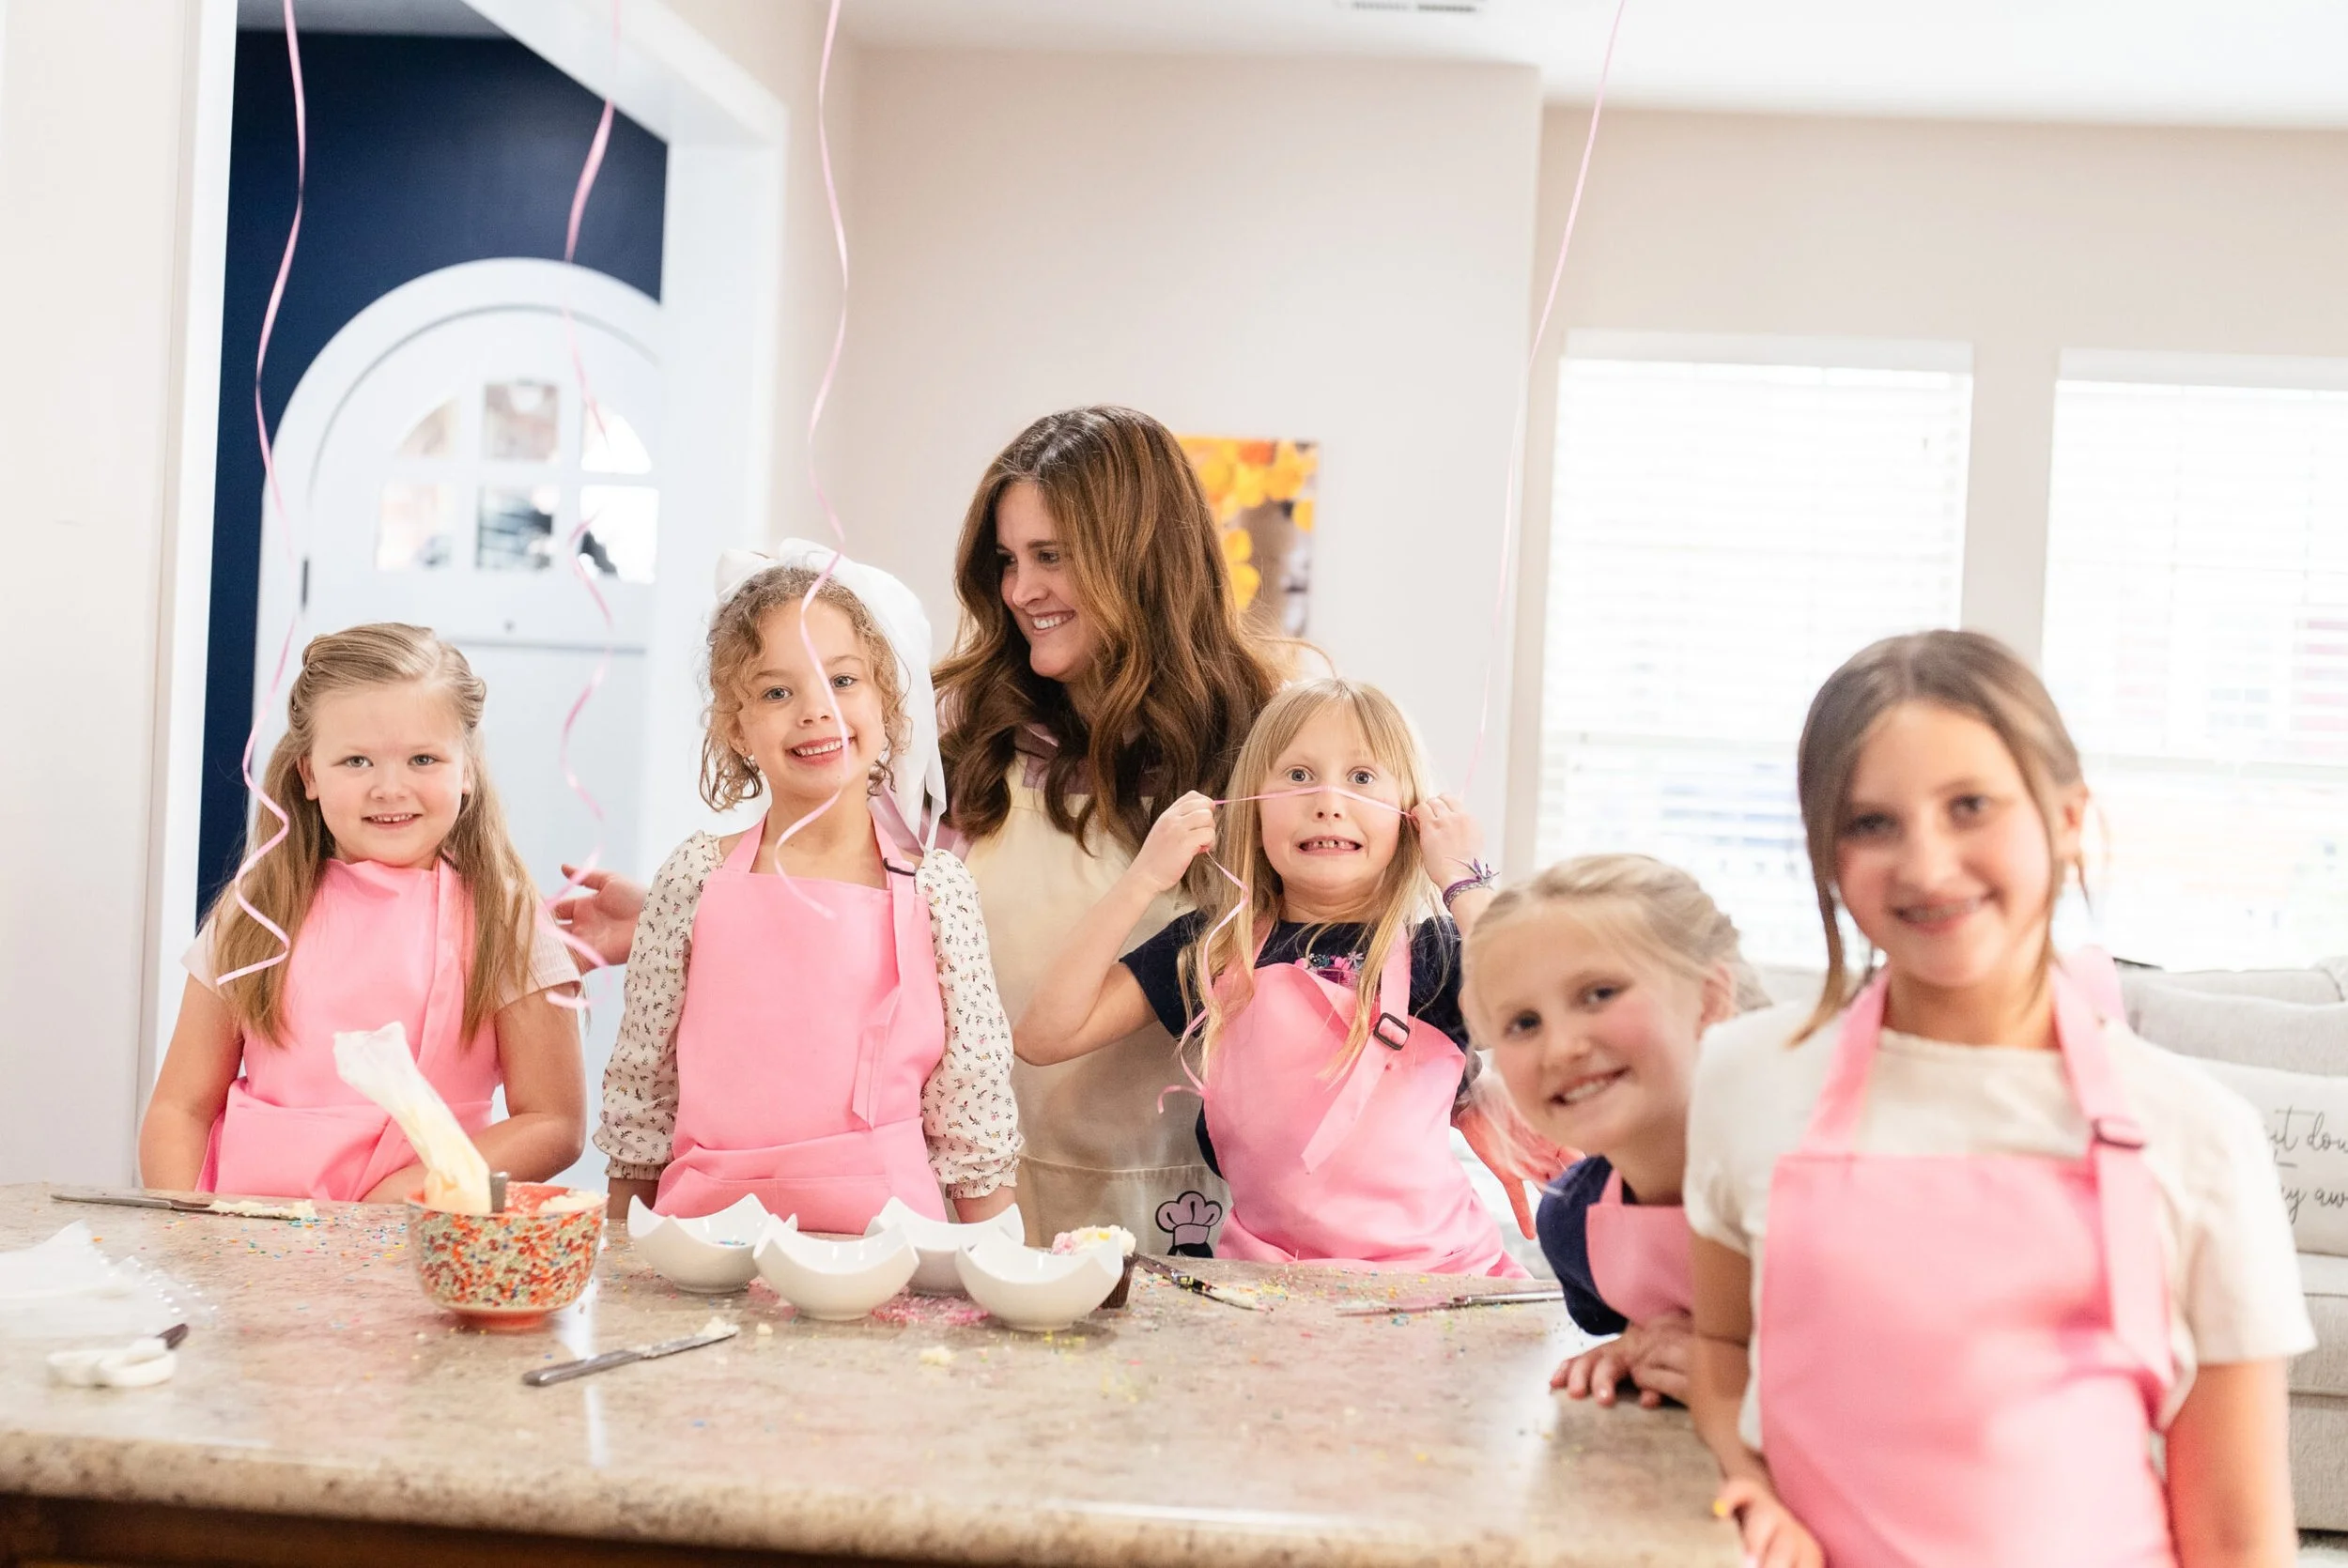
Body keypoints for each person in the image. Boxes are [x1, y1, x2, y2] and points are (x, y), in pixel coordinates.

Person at [1684, 629, 2311, 1568]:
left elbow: (2234, 1534)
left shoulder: (2197, 1133)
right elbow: (1721, 1341)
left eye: (1969, 805)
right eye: (1869, 823)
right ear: (1824, 853)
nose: (1927, 866)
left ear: (2066, 816)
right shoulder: (1742, 1075)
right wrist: (1751, 1484)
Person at [1016, 678, 1524, 1275]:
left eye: (1362, 778)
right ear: (1252, 805)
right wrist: (1143, 880)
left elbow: (1530, 1002)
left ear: (1410, 815)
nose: (1328, 801)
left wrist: (1464, 880)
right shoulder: (1213, 947)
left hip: (1441, 1279)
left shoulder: (1437, 953)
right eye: (1299, 775)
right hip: (1266, 1285)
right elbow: (1044, 1036)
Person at [592, 550, 1020, 1227]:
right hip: (698, 1250)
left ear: (886, 700)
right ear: (736, 728)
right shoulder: (691, 879)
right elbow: (642, 1101)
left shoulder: (938, 891)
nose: (815, 711)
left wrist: (1002, 1272)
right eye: (776, 692)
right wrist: (616, 1265)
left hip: (886, 1260)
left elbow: (973, 1114)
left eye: (843, 680)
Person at [141, 623, 583, 1201]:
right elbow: (181, 1106)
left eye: (423, 758)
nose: (389, 787)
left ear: (467, 769)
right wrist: (185, 1229)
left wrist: (406, 1192)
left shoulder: (506, 918)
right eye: (356, 761)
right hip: (246, 1246)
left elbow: (554, 1122)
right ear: (308, 775)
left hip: (414, 1246)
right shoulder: (258, 910)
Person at [1462, 854, 1770, 1406]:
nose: (1561, 1048)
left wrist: (1756, 1382)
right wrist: (1642, 1347)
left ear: (1709, 999)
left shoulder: (1822, 1178)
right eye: (1523, 1023)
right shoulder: (1573, 1225)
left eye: (1599, 994)